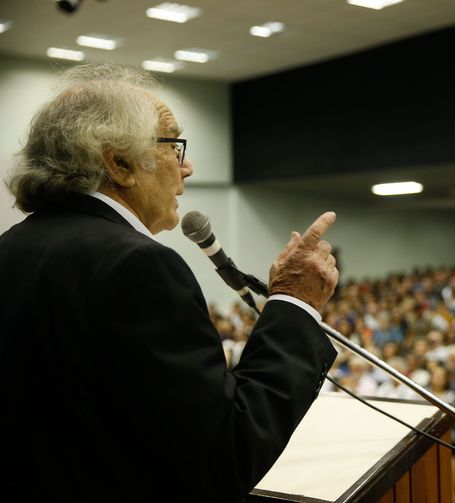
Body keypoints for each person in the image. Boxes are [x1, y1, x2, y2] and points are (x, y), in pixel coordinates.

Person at [0, 64, 339, 503]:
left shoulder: (10, 247)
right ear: (118, 163)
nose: (188, 167)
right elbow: (221, 457)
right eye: (173, 146)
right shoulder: (136, 264)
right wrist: (295, 302)